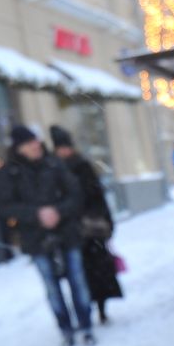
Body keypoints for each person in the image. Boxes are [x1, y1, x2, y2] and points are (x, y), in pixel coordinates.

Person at [0, 124, 92, 346]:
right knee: (51, 287)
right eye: (30, 143)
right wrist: (36, 215)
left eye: (36, 141)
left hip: (67, 232)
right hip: (36, 238)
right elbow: (5, 206)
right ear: (20, 148)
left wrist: (58, 211)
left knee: (77, 280)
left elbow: (76, 194)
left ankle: (85, 324)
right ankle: (66, 329)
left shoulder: (54, 165)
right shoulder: (10, 173)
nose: (36, 145)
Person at [49, 126, 123, 325]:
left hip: (91, 229)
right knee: (80, 274)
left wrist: (105, 221)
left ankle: (101, 308)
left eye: (65, 147)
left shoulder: (82, 166)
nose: (64, 151)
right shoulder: (55, 170)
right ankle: (86, 311)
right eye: (60, 148)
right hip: (71, 230)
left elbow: (97, 196)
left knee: (97, 270)